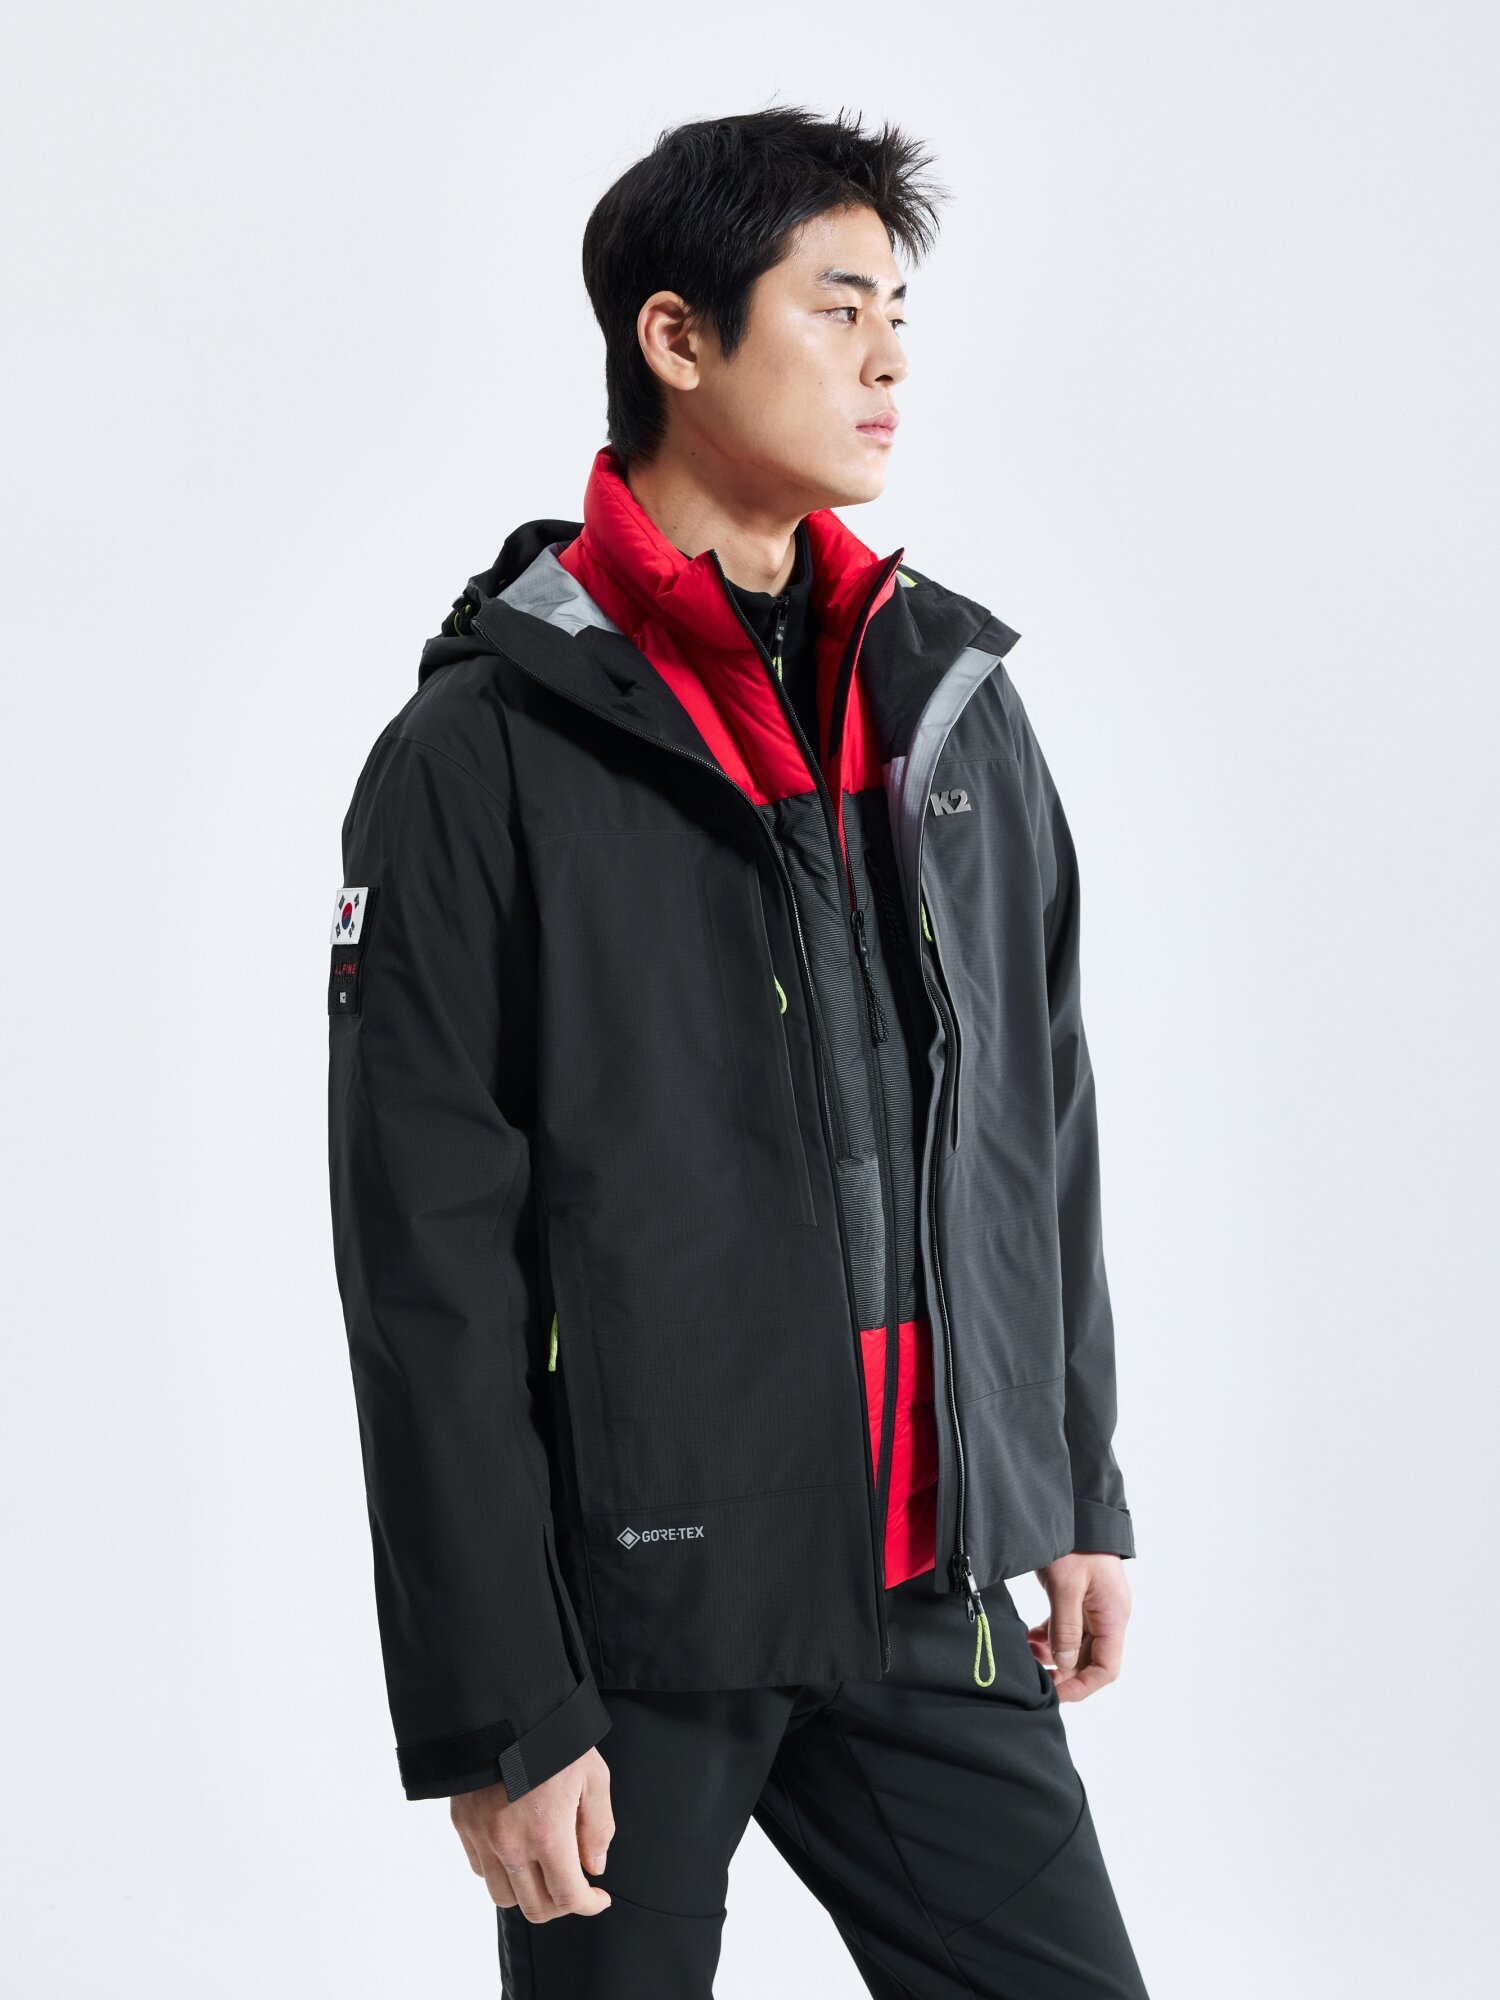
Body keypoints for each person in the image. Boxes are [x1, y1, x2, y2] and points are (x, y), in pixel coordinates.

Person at [327, 104, 1149, 1998]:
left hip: (925, 1584)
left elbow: (1035, 1119)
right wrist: (498, 1703)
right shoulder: (479, 756)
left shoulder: (948, 710)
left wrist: (1070, 1482)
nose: (889, 361)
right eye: (838, 308)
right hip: (638, 1622)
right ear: (677, 338)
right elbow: (423, 1264)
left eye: (900, 316)